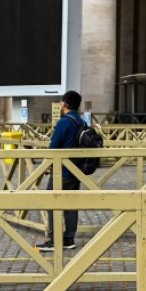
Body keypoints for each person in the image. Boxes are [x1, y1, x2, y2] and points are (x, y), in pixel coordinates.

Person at [37, 90, 85, 251]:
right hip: (75, 170)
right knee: (71, 205)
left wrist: (46, 166)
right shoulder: (81, 122)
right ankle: (69, 238)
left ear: (64, 104)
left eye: (60, 102)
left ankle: (54, 240)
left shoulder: (64, 122)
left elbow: (53, 147)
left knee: (53, 202)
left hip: (61, 171)